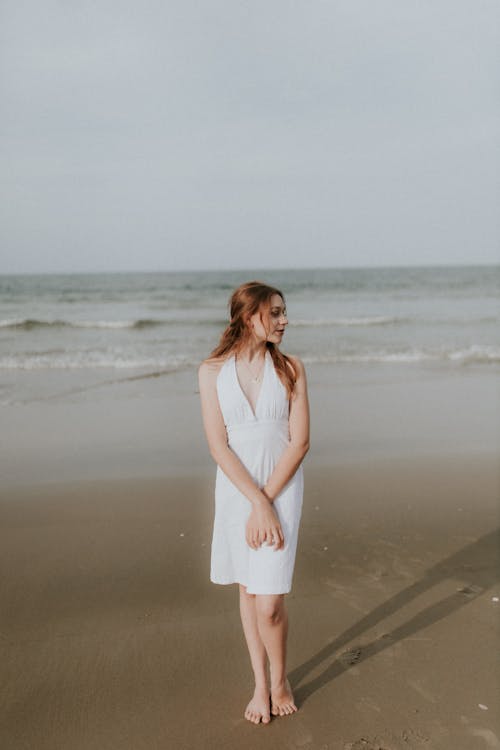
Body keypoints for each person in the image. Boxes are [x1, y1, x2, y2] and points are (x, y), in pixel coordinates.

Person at [198, 280, 310, 725]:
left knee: (271, 602)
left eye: (285, 312)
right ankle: (260, 684)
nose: (285, 321)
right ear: (250, 317)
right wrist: (253, 501)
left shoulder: (293, 369)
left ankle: (280, 678)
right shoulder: (210, 372)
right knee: (248, 589)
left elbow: (299, 443)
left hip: (281, 490)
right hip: (236, 492)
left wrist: (266, 502)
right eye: (276, 313)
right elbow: (218, 446)